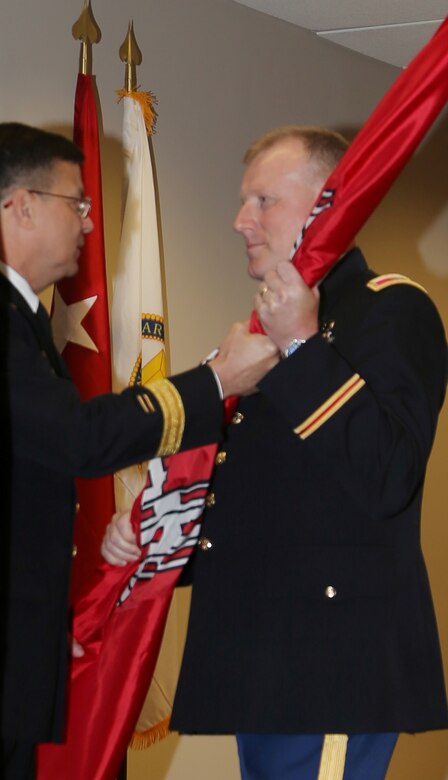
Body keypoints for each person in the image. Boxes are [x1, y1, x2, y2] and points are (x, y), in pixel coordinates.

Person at [102, 126, 448, 779]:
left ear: (329, 205)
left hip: (328, 664)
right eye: (243, 202)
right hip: (267, 660)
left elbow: (388, 475)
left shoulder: (391, 310)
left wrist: (303, 348)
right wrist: (158, 531)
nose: (239, 221)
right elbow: (265, 498)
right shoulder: (267, 332)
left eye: (263, 201)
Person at [0, 121, 278, 780]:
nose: (89, 224)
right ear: (21, 205)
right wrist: (214, 383)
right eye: (79, 203)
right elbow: (75, 438)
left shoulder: (23, 319)